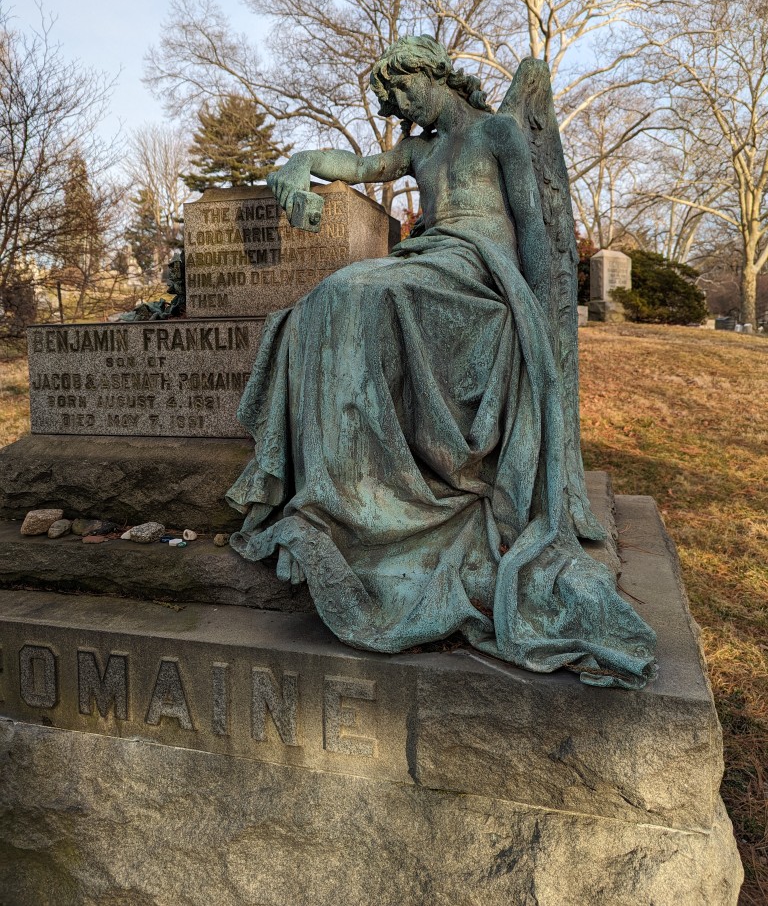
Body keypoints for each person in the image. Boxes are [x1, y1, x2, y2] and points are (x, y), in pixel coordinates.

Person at [227, 36, 657, 689]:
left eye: (401, 90)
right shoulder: (420, 151)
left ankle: (368, 494)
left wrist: (541, 307)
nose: (398, 107)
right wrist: (297, 162)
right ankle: (346, 489)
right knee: (325, 300)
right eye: (388, 100)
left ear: (432, 75)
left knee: (360, 291)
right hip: (427, 264)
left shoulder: (498, 134)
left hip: (480, 273)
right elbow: (354, 165)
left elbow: (534, 226)